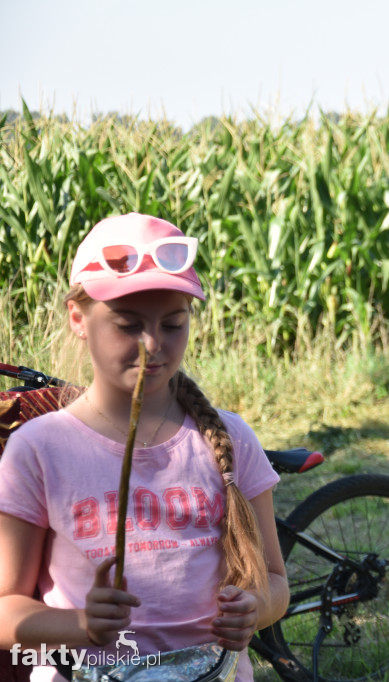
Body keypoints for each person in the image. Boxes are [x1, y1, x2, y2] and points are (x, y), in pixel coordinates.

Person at [0, 213, 289, 681]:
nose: (152, 344)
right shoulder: (39, 449)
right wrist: (80, 625)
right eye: (128, 324)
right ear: (79, 318)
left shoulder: (231, 440)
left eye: (173, 324)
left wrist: (254, 608)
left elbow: (276, 583)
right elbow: (6, 611)